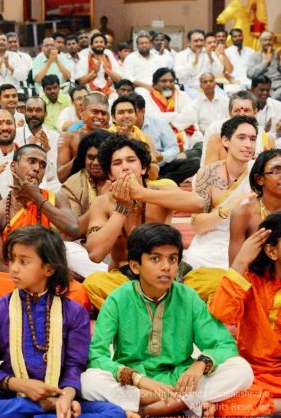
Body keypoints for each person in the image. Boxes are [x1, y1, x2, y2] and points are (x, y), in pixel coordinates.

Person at [0, 225, 127, 418]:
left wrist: (67, 395)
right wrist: (20, 385)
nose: (13, 268)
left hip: (60, 393)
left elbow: (75, 366)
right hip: (12, 398)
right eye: (12, 260)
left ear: (49, 269)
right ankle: (46, 410)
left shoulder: (74, 313)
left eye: (24, 262)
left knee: (115, 416)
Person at [81, 224, 253, 418]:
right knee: (88, 381)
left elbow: (224, 344)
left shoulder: (188, 297)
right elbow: (97, 356)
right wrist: (138, 379)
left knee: (241, 370)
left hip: (180, 379)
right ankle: (182, 404)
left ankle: (146, 411)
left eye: (172, 259)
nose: (166, 267)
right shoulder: (118, 299)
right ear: (135, 266)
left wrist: (201, 363)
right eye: (156, 259)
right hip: (137, 384)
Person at [82, 134, 204, 309]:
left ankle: (148, 308)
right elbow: (95, 254)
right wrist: (122, 208)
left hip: (169, 275)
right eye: (117, 163)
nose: (125, 167)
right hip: (127, 279)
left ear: (143, 168)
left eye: (131, 160)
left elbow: (199, 204)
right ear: (109, 174)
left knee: (215, 280)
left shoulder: (161, 191)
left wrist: (140, 194)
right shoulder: (102, 203)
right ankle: (169, 307)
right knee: (94, 283)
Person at [0, 145, 85, 310]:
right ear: (14, 167)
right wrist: (31, 280)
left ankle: (27, 305)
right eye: (32, 161)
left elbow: (72, 228)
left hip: (48, 277)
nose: (37, 168)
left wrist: (36, 197)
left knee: (79, 292)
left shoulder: (56, 199)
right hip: (15, 279)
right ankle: (41, 304)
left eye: (42, 165)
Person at [210, 213, 281, 417]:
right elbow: (220, 313)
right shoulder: (252, 281)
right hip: (254, 375)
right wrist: (240, 261)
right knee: (222, 398)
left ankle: (270, 406)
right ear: (271, 251)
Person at [184, 115, 258, 271]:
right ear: (226, 141)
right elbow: (197, 226)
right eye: (241, 138)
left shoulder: (259, 172)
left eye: (252, 139)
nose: (248, 144)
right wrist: (228, 208)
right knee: (195, 259)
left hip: (248, 239)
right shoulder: (208, 174)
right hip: (211, 242)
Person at [133, 94, 199, 185]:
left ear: (142, 111)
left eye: (131, 111)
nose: (128, 115)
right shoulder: (120, 128)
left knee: (195, 162)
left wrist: (162, 156)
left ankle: (163, 180)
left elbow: (174, 148)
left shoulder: (159, 123)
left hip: (160, 166)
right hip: (134, 168)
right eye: (125, 112)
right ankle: (161, 181)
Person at [228, 149, 281, 263]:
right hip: (255, 273)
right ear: (259, 179)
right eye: (276, 171)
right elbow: (236, 265)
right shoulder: (243, 213)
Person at [142, 68, 201, 152]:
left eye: (171, 81)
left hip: (187, 138)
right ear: (154, 84)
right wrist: (176, 115)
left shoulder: (183, 95)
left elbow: (190, 116)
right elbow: (153, 119)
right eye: (163, 81)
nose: (168, 84)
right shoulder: (146, 98)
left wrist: (170, 123)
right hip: (159, 140)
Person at [57, 92, 109, 182]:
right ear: (82, 111)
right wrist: (82, 149)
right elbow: (61, 177)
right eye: (95, 112)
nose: (100, 116)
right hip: (76, 188)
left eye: (103, 113)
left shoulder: (111, 138)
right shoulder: (68, 137)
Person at [108, 96, 159, 180]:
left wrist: (137, 145)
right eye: (121, 112)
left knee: (170, 184)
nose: (126, 116)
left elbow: (154, 174)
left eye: (130, 112)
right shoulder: (105, 137)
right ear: (113, 117)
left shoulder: (146, 139)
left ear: (136, 116)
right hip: (115, 182)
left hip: (143, 182)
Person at [174, 29, 224, 98]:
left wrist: (210, 58)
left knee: (224, 97)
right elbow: (178, 74)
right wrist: (194, 63)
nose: (199, 43)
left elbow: (218, 72)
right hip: (190, 89)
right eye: (196, 41)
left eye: (201, 40)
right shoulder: (181, 55)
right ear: (189, 42)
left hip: (210, 87)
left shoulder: (210, 53)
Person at [75, 33, 122, 97]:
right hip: (90, 91)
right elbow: (81, 82)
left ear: (105, 45)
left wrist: (107, 70)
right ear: (91, 45)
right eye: (96, 42)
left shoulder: (110, 58)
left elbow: (119, 79)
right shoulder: (85, 59)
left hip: (109, 91)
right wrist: (94, 72)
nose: (99, 44)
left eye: (101, 42)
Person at [246, 31, 281, 101]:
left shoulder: (278, 54)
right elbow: (250, 74)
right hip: (262, 87)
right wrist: (266, 62)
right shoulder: (254, 56)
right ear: (260, 41)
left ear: (273, 41)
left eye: (270, 40)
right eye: (265, 40)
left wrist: (278, 61)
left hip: (278, 86)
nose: (267, 42)